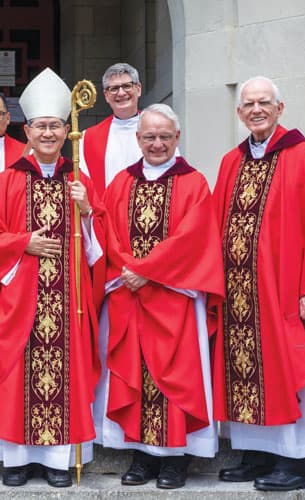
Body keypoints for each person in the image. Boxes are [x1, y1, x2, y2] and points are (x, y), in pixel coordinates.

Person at [0, 67, 105, 488]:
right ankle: (16, 461)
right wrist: (22, 244)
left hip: (67, 302)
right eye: (40, 126)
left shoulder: (79, 180)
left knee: (64, 375)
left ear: (67, 131)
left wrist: (86, 211)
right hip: (17, 301)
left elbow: (100, 248)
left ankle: (56, 463)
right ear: (26, 131)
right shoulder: (7, 182)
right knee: (15, 376)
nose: (48, 134)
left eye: (55, 127)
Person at [93, 103, 224, 489]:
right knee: (134, 371)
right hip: (130, 297)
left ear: (177, 138)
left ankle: (175, 460)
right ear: (138, 139)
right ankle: (142, 455)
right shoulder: (122, 182)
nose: (156, 143)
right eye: (149, 136)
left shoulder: (194, 182)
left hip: (174, 298)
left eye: (165, 136)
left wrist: (144, 271)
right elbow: (109, 230)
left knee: (176, 376)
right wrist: (127, 270)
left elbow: (192, 238)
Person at [212, 76, 305, 492]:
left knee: (291, 370)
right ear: (239, 113)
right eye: (248, 104)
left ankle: (296, 462)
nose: (256, 109)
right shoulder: (230, 162)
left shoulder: (304, 155)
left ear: (280, 108)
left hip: (285, 288)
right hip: (239, 294)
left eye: (264, 103)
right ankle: (256, 454)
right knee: (243, 371)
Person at [78, 63, 142, 196]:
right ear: (106, 95)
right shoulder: (88, 138)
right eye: (114, 88)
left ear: (138, 89)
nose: (121, 93)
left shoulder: (159, 130)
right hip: (107, 214)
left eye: (127, 86)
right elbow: (85, 187)